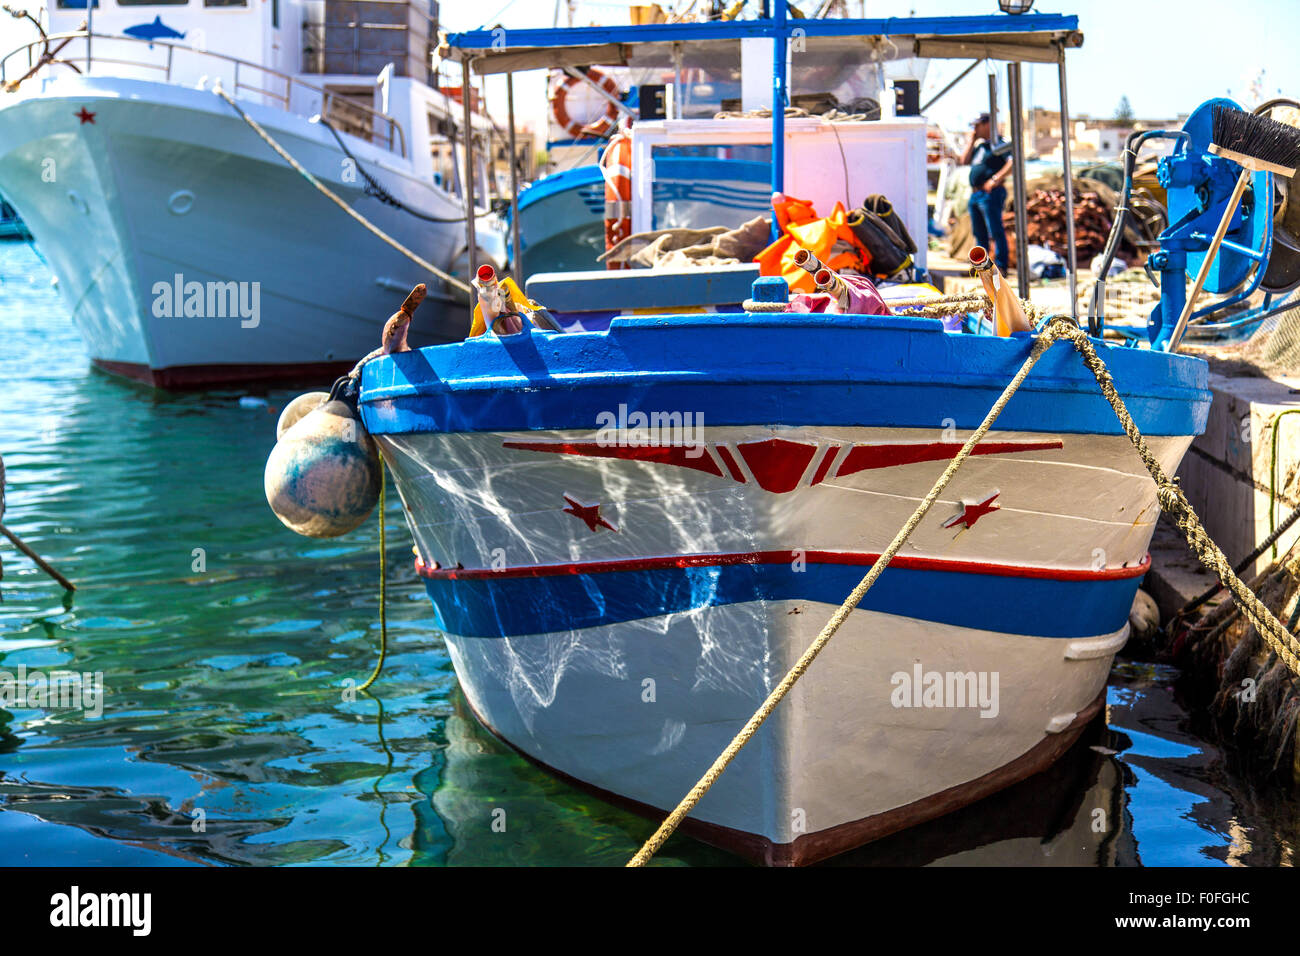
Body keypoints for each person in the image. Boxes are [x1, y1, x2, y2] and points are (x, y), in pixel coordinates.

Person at [960, 112, 1013, 274]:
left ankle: (1001, 265)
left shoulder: (999, 145)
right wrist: (971, 141)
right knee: (979, 232)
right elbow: (964, 161)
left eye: (978, 125)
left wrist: (995, 179)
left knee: (995, 230)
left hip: (990, 193)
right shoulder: (980, 146)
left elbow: (1012, 162)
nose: (975, 129)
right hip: (976, 194)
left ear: (987, 124)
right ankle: (981, 267)